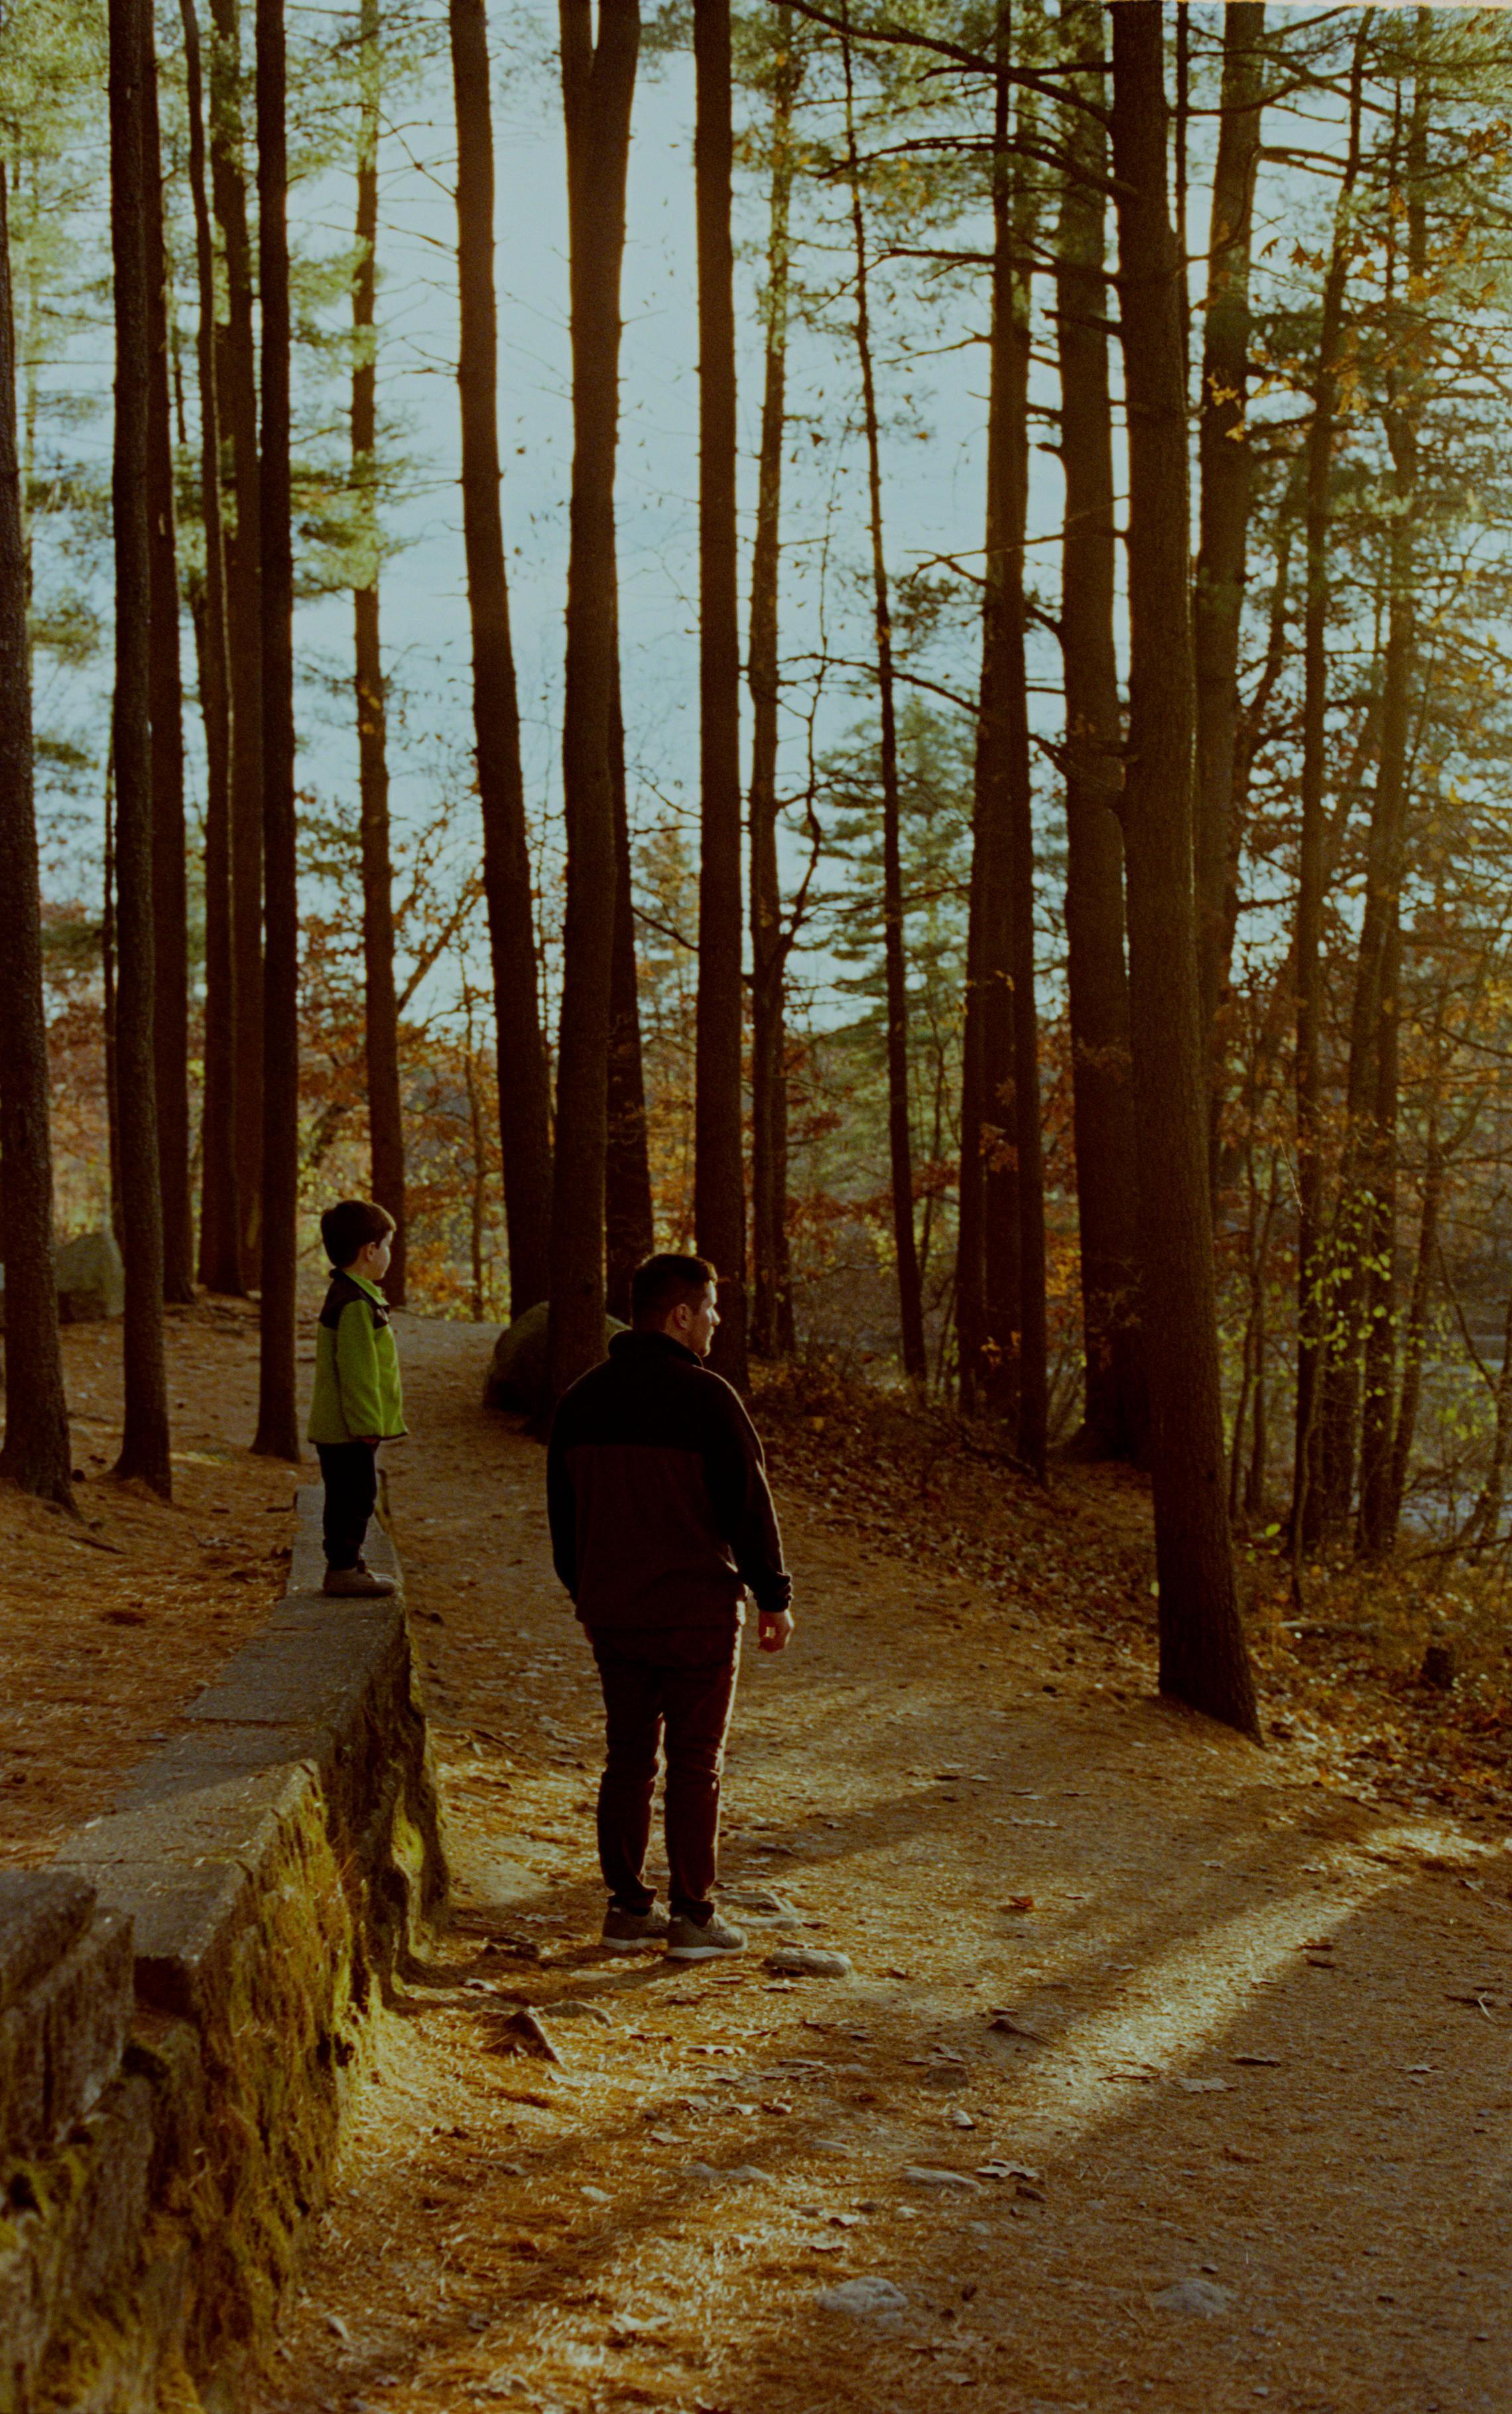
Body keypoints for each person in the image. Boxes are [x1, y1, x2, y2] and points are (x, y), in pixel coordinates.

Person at [546, 1253, 794, 1961]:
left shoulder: (581, 1401)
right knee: (694, 1761)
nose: (717, 1321)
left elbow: (564, 1523)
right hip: (696, 1615)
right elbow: (748, 1508)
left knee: (627, 1757)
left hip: (613, 1614)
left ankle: (627, 1908)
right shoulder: (707, 1398)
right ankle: (693, 1915)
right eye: (710, 1308)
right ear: (678, 1315)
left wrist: (588, 1590)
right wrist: (773, 1596)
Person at [306, 1199, 406, 1599]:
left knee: (353, 1494)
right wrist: (367, 1426)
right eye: (387, 1245)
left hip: (345, 1428)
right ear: (370, 1251)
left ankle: (349, 1564)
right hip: (348, 1430)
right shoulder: (354, 1305)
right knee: (354, 1496)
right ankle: (344, 1568)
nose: (389, 1254)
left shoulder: (354, 1295)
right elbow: (358, 1375)